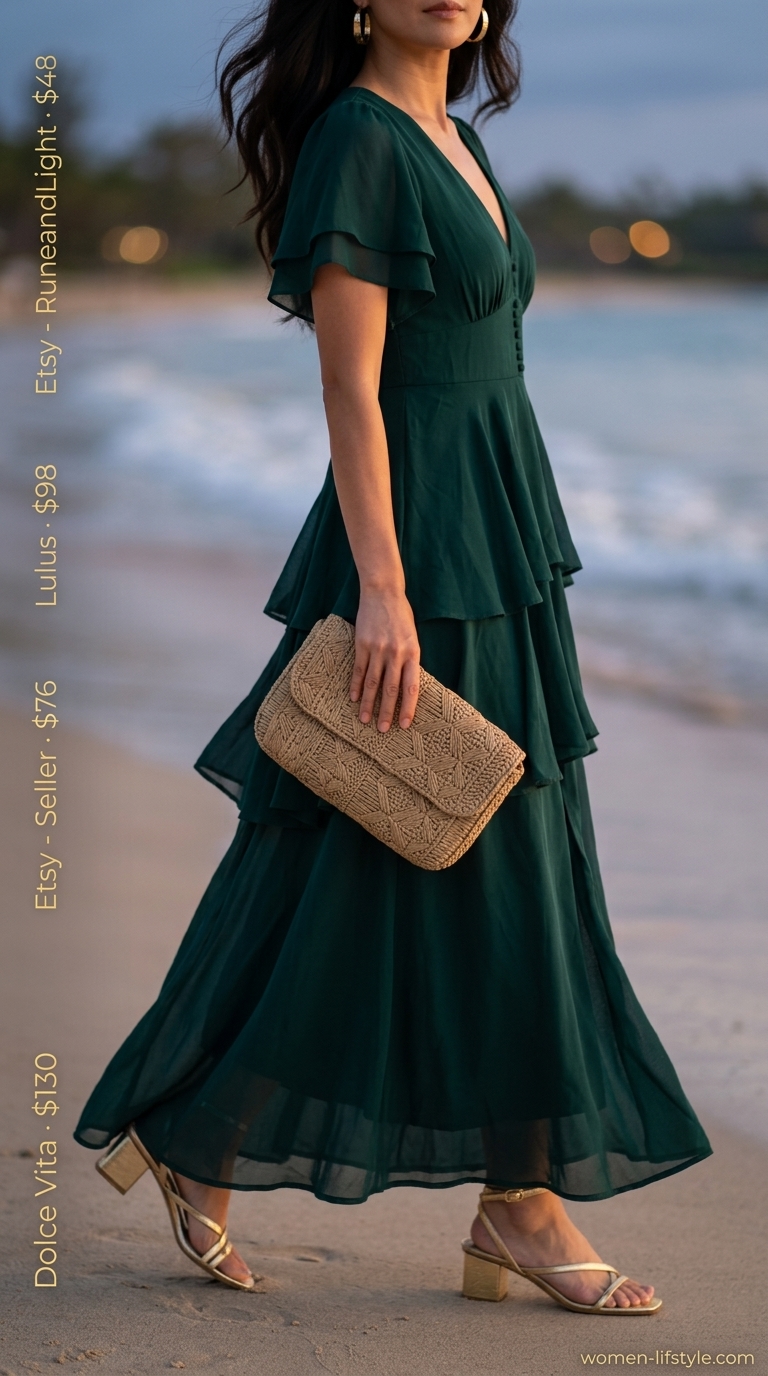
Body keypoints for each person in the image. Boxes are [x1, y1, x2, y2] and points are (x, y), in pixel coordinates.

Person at [74, 0, 711, 1314]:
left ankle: (238, 1149)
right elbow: (350, 386)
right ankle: (514, 1206)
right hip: (415, 543)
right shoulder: (359, 138)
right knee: (430, 847)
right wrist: (382, 588)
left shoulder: (458, 136)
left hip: (499, 524)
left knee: (392, 849)